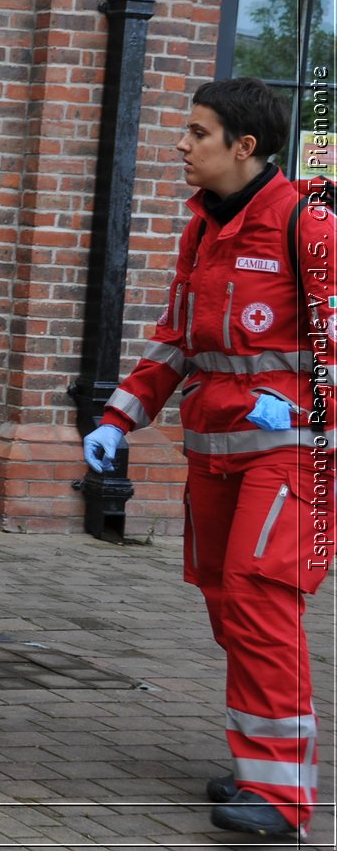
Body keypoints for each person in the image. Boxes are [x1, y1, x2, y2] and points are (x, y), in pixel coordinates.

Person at [82, 77, 334, 839]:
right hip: (215, 454)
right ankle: (262, 763)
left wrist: (297, 410)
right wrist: (120, 415)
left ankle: (283, 795)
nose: (181, 146)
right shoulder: (202, 229)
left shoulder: (310, 229)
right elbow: (175, 339)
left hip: (290, 455)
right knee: (230, 606)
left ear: (244, 146)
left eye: (197, 133)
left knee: (260, 600)